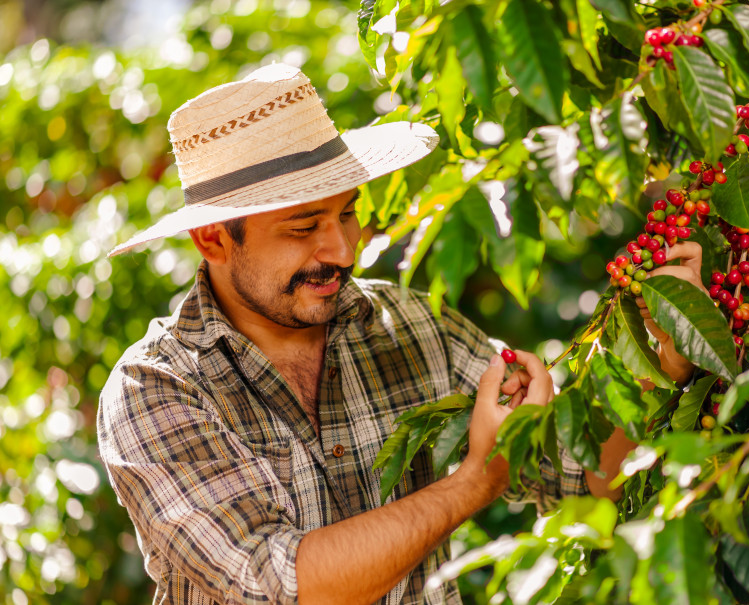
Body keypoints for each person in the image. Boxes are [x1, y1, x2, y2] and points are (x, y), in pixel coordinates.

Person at [97, 63, 700, 605]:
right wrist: (474, 482)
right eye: (304, 227)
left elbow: (586, 476)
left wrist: (660, 366)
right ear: (213, 240)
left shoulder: (414, 328)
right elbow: (282, 585)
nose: (341, 249)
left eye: (348, 213)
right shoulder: (157, 387)